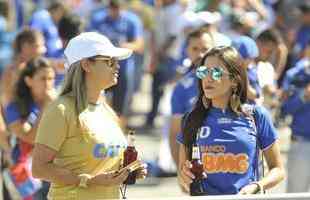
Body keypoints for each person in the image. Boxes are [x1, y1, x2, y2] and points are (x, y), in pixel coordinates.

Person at [31, 32, 147, 200]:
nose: (117, 66)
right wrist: (88, 181)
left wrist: (128, 170)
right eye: (109, 61)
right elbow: (39, 168)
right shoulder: (61, 109)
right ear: (86, 64)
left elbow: (104, 162)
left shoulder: (106, 109)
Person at [177, 46, 285, 195]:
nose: (207, 78)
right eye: (203, 72)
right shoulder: (191, 119)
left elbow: (278, 170)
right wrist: (184, 176)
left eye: (215, 72)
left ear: (234, 80)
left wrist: (256, 186)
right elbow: (182, 179)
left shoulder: (256, 116)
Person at [4, 57, 56, 200]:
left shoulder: (59, 103)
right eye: (43, 79)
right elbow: (30, 137)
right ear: (28, 81)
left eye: (51, 79)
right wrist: (46, 107)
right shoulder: (15, 107)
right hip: (23, 172)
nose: (48, 84)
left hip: (52, 169)